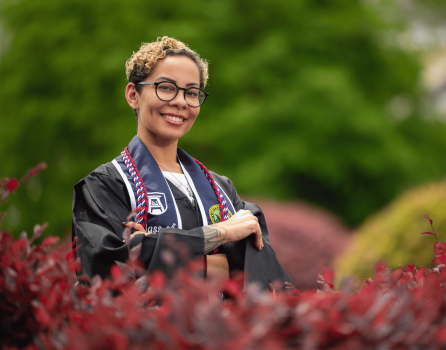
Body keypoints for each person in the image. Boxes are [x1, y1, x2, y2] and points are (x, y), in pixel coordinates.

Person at [72, 36, 291, 289]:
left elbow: (262, 275)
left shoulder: (221, 190)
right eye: (166, 87)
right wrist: (222, 234)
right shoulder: (106, 186)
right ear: (133, 95)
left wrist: (155, 247)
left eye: (192, 92)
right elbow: (109, 270)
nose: (180, 101)